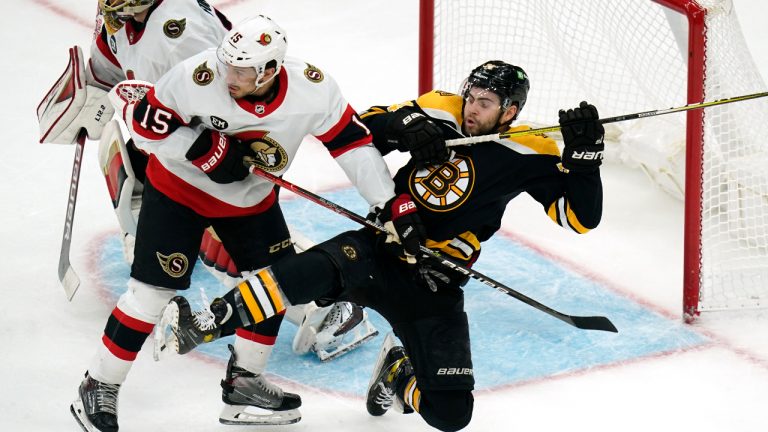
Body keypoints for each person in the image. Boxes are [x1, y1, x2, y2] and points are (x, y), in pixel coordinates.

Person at [161, 60, 606, 431]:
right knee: (301, 276)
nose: (471, 109)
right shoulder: (440, 108)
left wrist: (586, 164)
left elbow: (579, 218)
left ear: (510, 110)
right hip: (381, 244)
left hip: (435, 278)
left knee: (452, 413)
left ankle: (398, 373)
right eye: (470, 96)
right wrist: (406, 124)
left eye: (485, 103)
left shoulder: (530, 148)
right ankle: (204, 322)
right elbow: (361, 128)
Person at [68, 13, 403, 431]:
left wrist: (388, 205)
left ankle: (245, 386)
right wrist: (203, 150)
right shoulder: (197, 75)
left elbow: (352, 143)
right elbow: (143, 128)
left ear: (270, 70)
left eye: (241, 70)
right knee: (152, 293)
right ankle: (99, 384)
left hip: (251, 205)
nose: (228, 74)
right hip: (177, 193)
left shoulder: (313, 89)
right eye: (227, 63)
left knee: (273, 287)